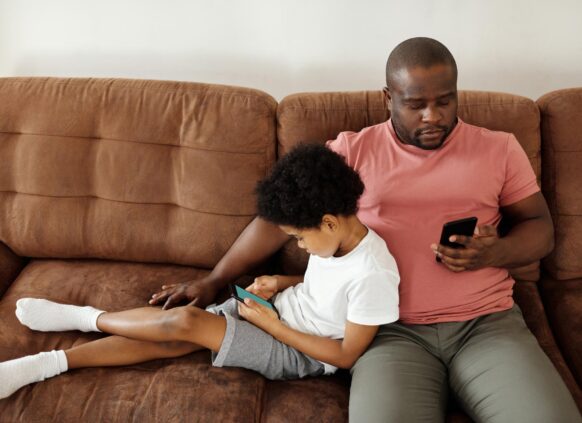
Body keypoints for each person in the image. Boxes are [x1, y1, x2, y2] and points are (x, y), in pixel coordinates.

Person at [149, 37, 582, 422]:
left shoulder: (499, 148)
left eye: (446, 101)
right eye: (415, 104)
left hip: (486, 324)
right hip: (387, 333)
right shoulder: (353, 151)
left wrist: (495, 252)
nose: (433, 116)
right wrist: (213, 280)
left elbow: (540, 229)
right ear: (387, 98)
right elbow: (277, 222)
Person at [0, 144, 400, 399]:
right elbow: (329, 287)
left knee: (185, 322)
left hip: (297, 351)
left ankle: (85, 320)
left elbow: (347, 355)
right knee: (171, 335)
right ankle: (51, 360)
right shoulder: (335, 240)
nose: (298, 246)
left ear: (329, 222)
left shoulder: (374, 273)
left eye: (298, 238)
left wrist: (274, 326)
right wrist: (282, 282)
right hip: (278, 315)